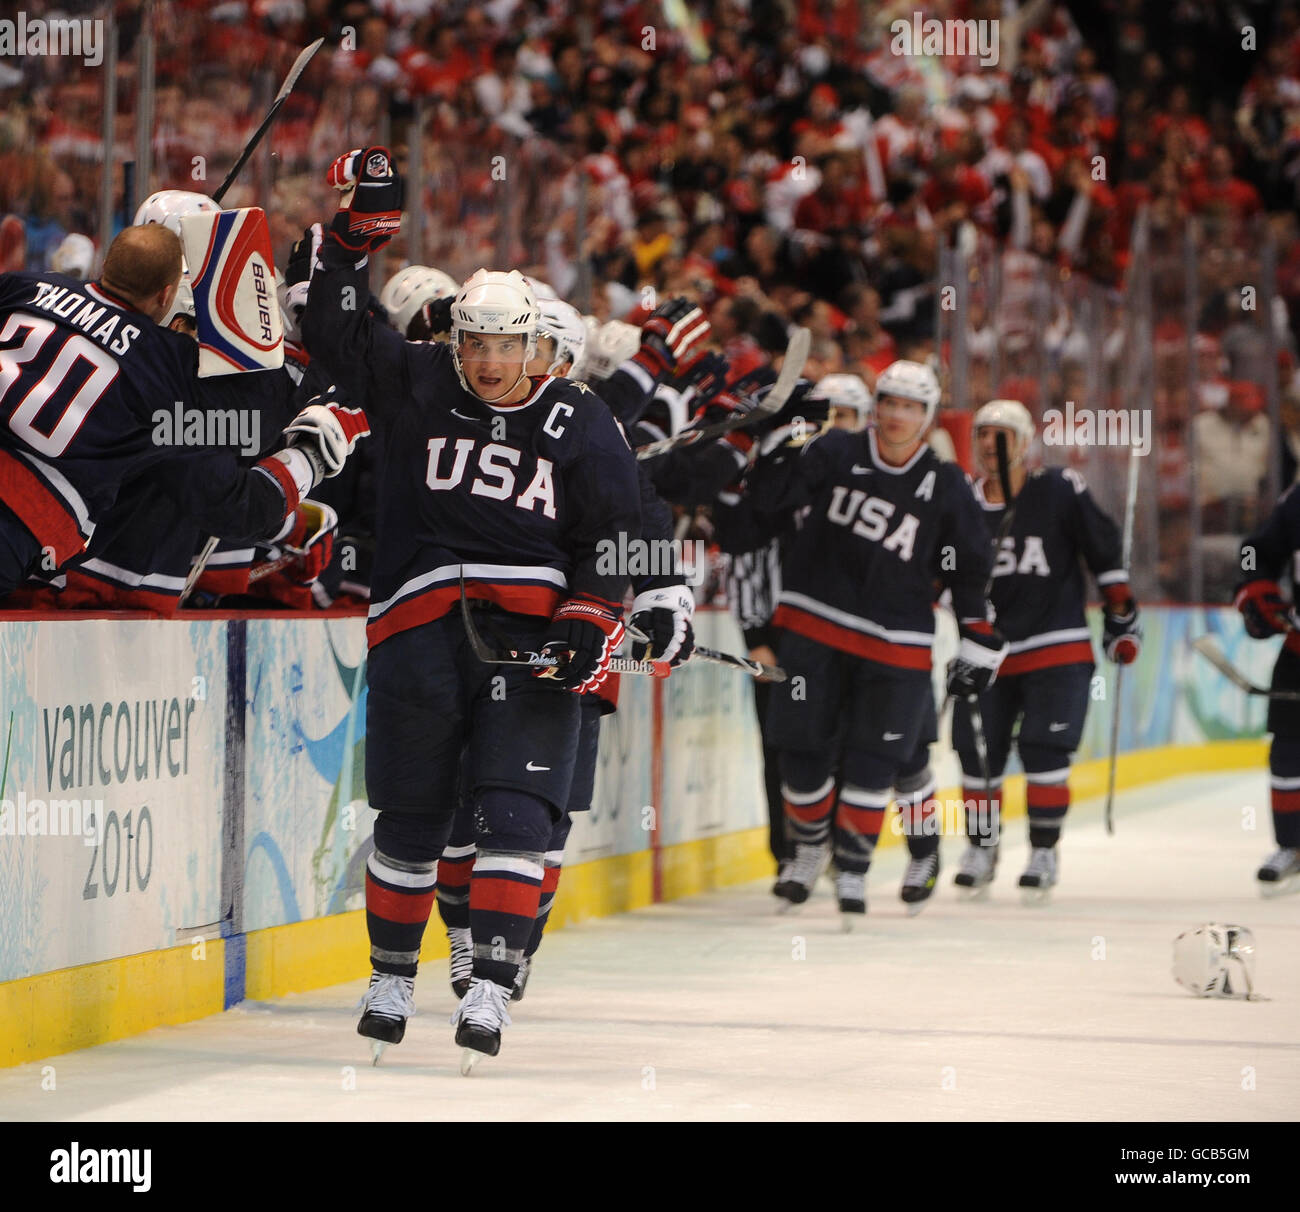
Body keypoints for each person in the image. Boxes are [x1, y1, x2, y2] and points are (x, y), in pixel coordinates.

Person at [299, 147, 643, 1070]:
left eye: (507, 346)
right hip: (418, 630)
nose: (490, 362)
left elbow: (617, 531)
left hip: (529, 644)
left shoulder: (580, 420)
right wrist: (348, 243)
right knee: (408, 815)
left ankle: (489, 982)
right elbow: (336, 335)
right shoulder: (416, 381)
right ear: (455, 343)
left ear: (539, 345)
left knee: (515, 814)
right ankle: (388, 976)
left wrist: (591, 615)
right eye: (476, 344)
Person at [435, 294, 695, 1002]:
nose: (523, 363)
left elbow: (639, 511)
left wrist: (666, 592)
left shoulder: (584, 423)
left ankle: (511, 952)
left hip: (569, 651)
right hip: (477, 643)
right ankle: (466, 939)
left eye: (542, 350)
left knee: (538, 816)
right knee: (457, 806)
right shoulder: (469, 416)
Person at [744, 359, 1003, 923]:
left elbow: (970, 568)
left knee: (897, 762)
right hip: (815, 631)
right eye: (889, 402)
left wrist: (977, 635)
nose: (896, 415)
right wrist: (774, 437)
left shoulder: (944, 482)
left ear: (926, 415)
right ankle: (814, 849)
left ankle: (910, 856)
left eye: (910, 407)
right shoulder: (832, 453)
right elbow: (765, 506)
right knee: (803, 750)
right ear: (874, 406)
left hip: (898, 647)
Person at [0, 223, 357, 600]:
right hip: (24, 531)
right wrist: (310, 344)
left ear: (106, 263)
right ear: (167, 295)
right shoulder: (166, 369)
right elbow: (251, 431)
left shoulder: (26, 286)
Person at [950, 400, 1141, 901]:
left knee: (1045, 749)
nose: (991, 445)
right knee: (977, 753)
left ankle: (1043, 850)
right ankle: (981, 846)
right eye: (983, 434)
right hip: (985, 651)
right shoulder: (960, 501)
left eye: (1003, 436)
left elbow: (1101, 547)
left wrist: (1120, 612)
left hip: (1056, 645)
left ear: (1025, 442)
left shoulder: (1058, 489)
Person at [1233, 490, 1300, 892]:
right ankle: (1292, 844)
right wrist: (1256, 590)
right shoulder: (1295, 501)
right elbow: (1252, 551)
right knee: (1289, 747)